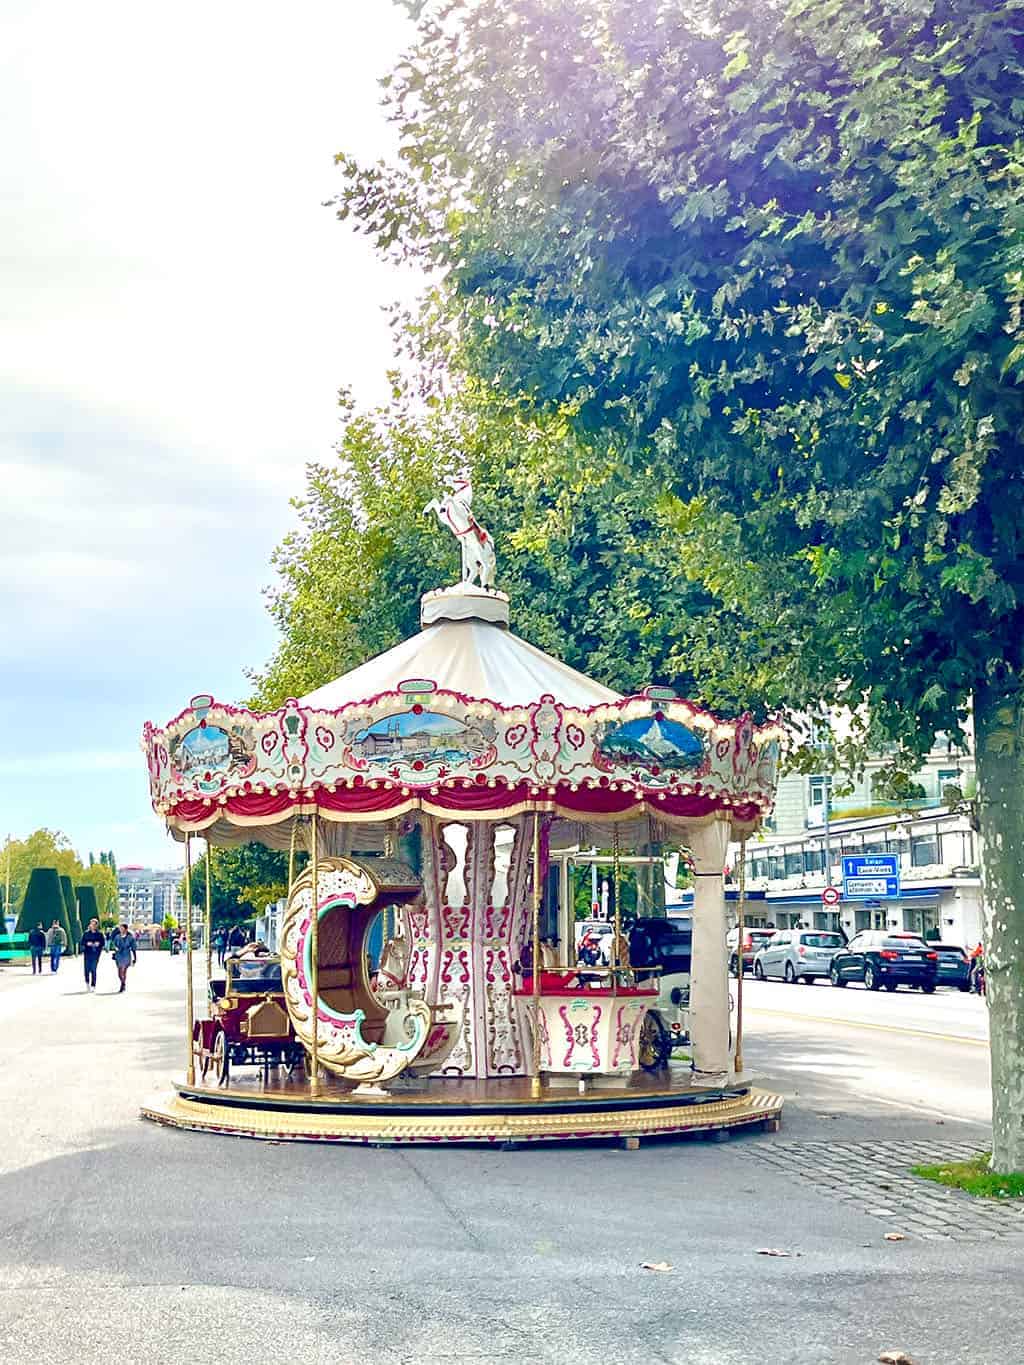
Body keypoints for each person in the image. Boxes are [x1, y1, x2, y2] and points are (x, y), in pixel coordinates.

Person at [109, 922, 137, 993]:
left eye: (122, 928)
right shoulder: (117, 937)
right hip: (118, 955)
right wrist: (115, 948)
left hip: (126, 955)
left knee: (124, 971)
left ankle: (122, 985)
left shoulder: (130, 938)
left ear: (126, 929)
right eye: (120, 928)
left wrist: (135, 958)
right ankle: (123, 982)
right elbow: (113, 945)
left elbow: (133, 948)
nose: (120, 929)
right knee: (119, 973)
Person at [80, 917, 105, 992]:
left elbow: (103, 943)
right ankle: (87, 982)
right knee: (87, 969)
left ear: (96, 925)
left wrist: (99, 944)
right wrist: (87, 943)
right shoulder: (86, 933)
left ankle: (93, 985)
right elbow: (82, 942)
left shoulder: (99, 934)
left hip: (96, 953)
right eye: (92, 924)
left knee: (93, 969)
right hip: (87, 953)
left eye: (94, 924)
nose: (93, 926)